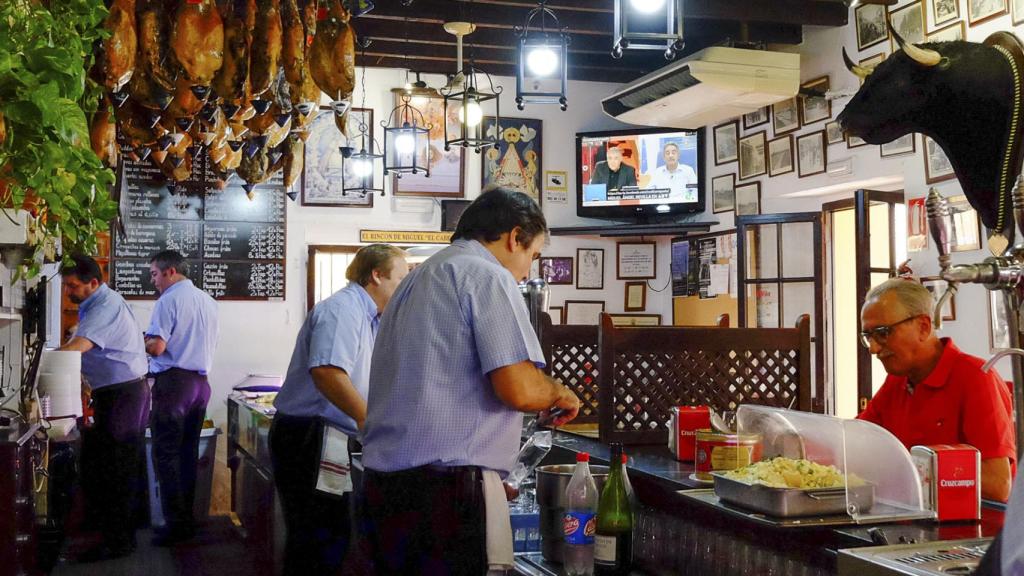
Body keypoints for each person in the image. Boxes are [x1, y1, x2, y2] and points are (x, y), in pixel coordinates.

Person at [360, 188, 581, 575]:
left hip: (388, 487)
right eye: (533, 255)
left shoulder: (419, 276)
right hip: (444, 499)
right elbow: (519, 388)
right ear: (515, 237)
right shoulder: (486, 275)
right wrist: (560, 392)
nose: (529, 269)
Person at [271, 244, 409, 576]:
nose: (405, 288)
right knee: (316, 537)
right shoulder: (343, 310)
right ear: (376, 275)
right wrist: (368, 421)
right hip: (310, 435)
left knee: (331, 534)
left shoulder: (372, 318)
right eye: (401, 279)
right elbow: (328, 373)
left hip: (327, 434)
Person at [858, 278, 1016, 501]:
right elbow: (855, 442)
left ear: (923, 326)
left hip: (969, 530)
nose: (873, 348)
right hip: (913, 519)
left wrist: (913, 466)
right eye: (868, 337)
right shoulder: (897, 381)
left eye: (883, 333)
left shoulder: (976, 377)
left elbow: (998, 484)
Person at [60, 255, 149, 562]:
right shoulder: (97, 303)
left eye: (73, 286)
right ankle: (111, 535)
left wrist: (46, 367)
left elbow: (78, 347)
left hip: (123, 394)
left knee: (115, 469)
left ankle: (118, 543)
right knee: (100, 465)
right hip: (118, 391)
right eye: (66, 285)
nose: (69, 291)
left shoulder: (105, 305)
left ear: (94, 283)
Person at [144, 250, 219, 545]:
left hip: (175, 385)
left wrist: (142, 340)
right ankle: (187, 520)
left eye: (154, 275)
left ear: (170, 271)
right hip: (201, 385)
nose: (153, 282)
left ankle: (175, 526)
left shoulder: (169, 300)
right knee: (188, 454)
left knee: (166, 455)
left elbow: (158, 348)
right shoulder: (209, 302)